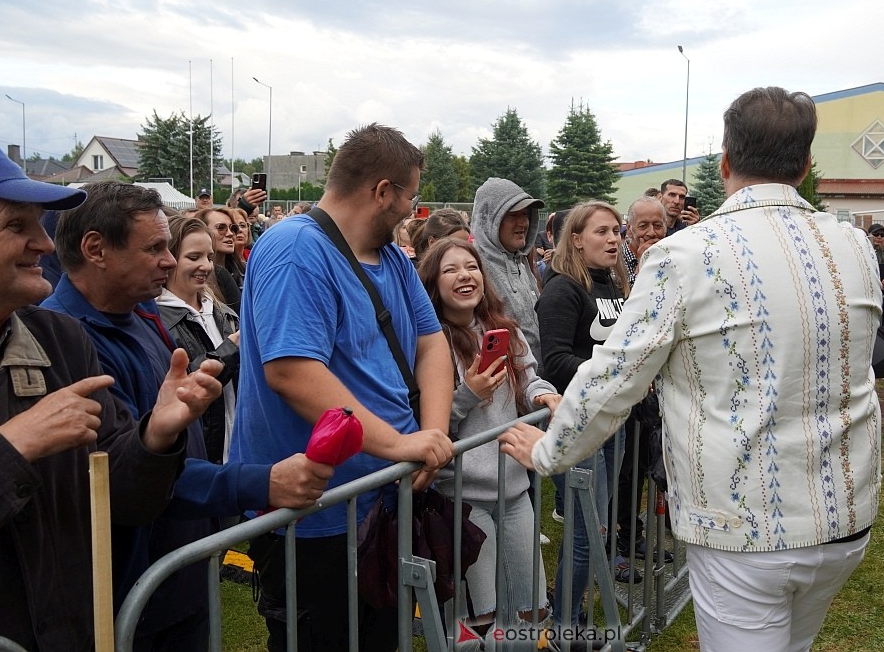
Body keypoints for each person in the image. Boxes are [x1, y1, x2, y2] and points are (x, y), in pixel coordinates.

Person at [499, 87, 882, 652]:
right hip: (842, 515)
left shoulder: (684, 256)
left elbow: (614, 376)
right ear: (804, 166)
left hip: (744, 528)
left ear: (724, 163)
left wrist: (546, 452)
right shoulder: (853, 246)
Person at [0, 133, 214, 650]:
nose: (45, 245)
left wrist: (155, 438)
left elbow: (121, 498)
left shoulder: (59, 340)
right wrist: (11, 449)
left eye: (38, 225)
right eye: (16, 226)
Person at [42, 181, 331, 650]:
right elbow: (121, 474)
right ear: (95, 249)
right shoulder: (66, 339)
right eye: (154, 248)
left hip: (176, 576)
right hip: (131, 592)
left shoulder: (139, 314)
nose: (170, 261)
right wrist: (260, 482)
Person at [230, 123, 455, 652]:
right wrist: (401, 444)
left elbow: (431, 344)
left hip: (383, 499)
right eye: (410, 197)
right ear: (383, 191)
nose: (411, 211)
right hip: (317, 516)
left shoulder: (392, 258)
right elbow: (292, 372)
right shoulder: (295, 248)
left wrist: (431, 437)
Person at [417, 237, 558, 633]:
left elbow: (528, 378)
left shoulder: (503, 330)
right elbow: (431, 427)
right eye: (451, 270)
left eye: (471, 267)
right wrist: (468, 394)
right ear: (433, 283)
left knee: (532, 607)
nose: (465, 276)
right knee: (481, 616)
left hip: (514, 492)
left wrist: (543, 394)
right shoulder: (430, 344)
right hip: (463, 500)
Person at [535, 200, 630, 635]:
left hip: (610, 419)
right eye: (601, 232)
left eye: (616, 231)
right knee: (586, 531)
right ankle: (564, 626)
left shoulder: (609, 283)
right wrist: (615, 375)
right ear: (575, 239)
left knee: (596, 525)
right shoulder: (563, 289)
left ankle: (569, 616)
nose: (613, 240)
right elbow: (554, 361)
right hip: (576, 424)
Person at [614, 196, 671, 577]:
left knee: (640, 467)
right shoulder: (618, 264)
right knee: (624, 468)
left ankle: (633, 533)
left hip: (656, 383)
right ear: (630, 229)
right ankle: (619, 538)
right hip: (628, 384)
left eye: (658, 225)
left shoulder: (671, 258)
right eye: (643, 226)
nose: (651, 232)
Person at [156, 214, 240, 464]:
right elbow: (180, 386)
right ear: (170, 258)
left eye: (210, 257)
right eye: (194, 257)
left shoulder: (225, 313)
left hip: (235, 451)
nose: (206, 266)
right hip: (197, 456)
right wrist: (231, 349)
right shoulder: (156, 320)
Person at [470, 177, 545, 373]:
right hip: (504, 384)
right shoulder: (474, 266)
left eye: (525, 214)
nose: (523, 222)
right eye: (513, 215)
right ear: (490, 219)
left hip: (537, 384)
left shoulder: (521, 261)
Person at [192, 207, 243, 313]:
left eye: (232, 228)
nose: (230, 233)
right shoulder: (195, 277)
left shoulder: (243, 271)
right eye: (221, 228)